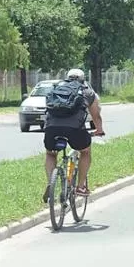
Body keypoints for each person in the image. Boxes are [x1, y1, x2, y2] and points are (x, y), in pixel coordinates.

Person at [43, 69, 103, 199]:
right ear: (83, 79)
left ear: (66, 78)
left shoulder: (55, 90)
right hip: (74, 129)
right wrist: (99, 130)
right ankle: (80, 186)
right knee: (85, 151)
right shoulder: (87, 92)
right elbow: (96, 116)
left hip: (51, 128)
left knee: (50, 153)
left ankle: (50, 183)